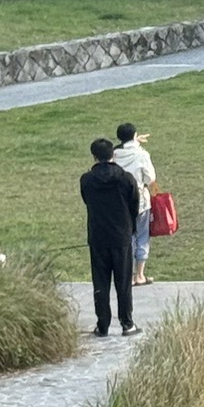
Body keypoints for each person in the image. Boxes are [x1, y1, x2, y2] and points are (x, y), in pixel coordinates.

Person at [79, 136, 140, 336]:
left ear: (94, 156)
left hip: (98, 235)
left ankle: (103, 324)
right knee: (123, 282)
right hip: (121, 235)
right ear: (114, 154)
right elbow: (134, 206)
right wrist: (129, 226)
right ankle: (127, 323)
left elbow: (87, 201)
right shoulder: (126, 179)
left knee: (101, 282)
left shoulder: (87, 180)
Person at [112, 121, 158, 287]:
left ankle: (129, 275)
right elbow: (150, 178)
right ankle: (140, 274)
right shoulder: (142, 155)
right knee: (142, 236)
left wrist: (135, 139)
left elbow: (121, 148)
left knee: (127, 237)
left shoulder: (114, 154)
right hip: (141, 201)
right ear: (134, 136)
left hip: (119, 203)